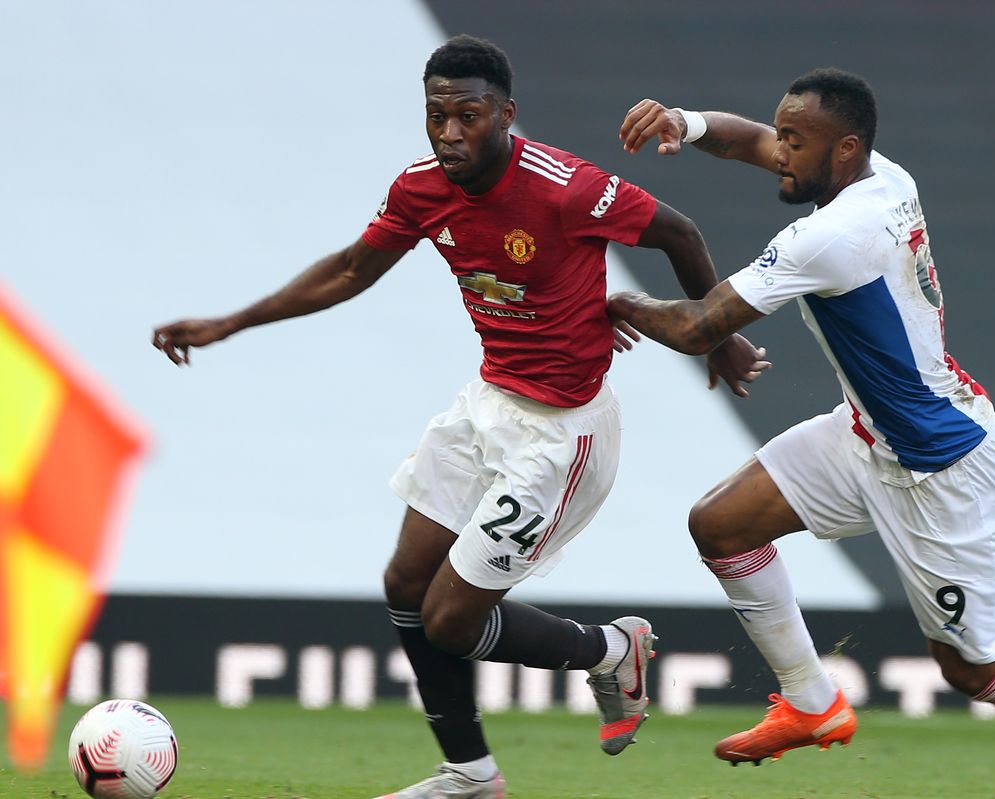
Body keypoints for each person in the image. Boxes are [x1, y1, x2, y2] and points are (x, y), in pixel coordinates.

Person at [152, 35, 767, 799]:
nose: (449, 133)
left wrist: (718, 338)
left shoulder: (566, 187)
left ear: (505, 115)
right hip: (487, 405)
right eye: (435, 116)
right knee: (405, 582)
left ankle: (611, 649)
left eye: (467, 116)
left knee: (449, 620)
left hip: (561, 435)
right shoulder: (421, 189)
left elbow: (680, 232)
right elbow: (351, 270)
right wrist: (229, 322)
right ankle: (470, 773)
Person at [609, 69, 995, 798]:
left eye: (796, 142)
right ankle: (812, 702)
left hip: (943, 467)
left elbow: (700, 325)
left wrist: (618, 301)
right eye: (783, 134)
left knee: (970, 668)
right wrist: (686, 121)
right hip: (868, 436)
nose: (779, 152)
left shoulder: (829, 236)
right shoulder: (879, 176)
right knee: (721, 524)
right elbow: (751, 141)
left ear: (844, 149)